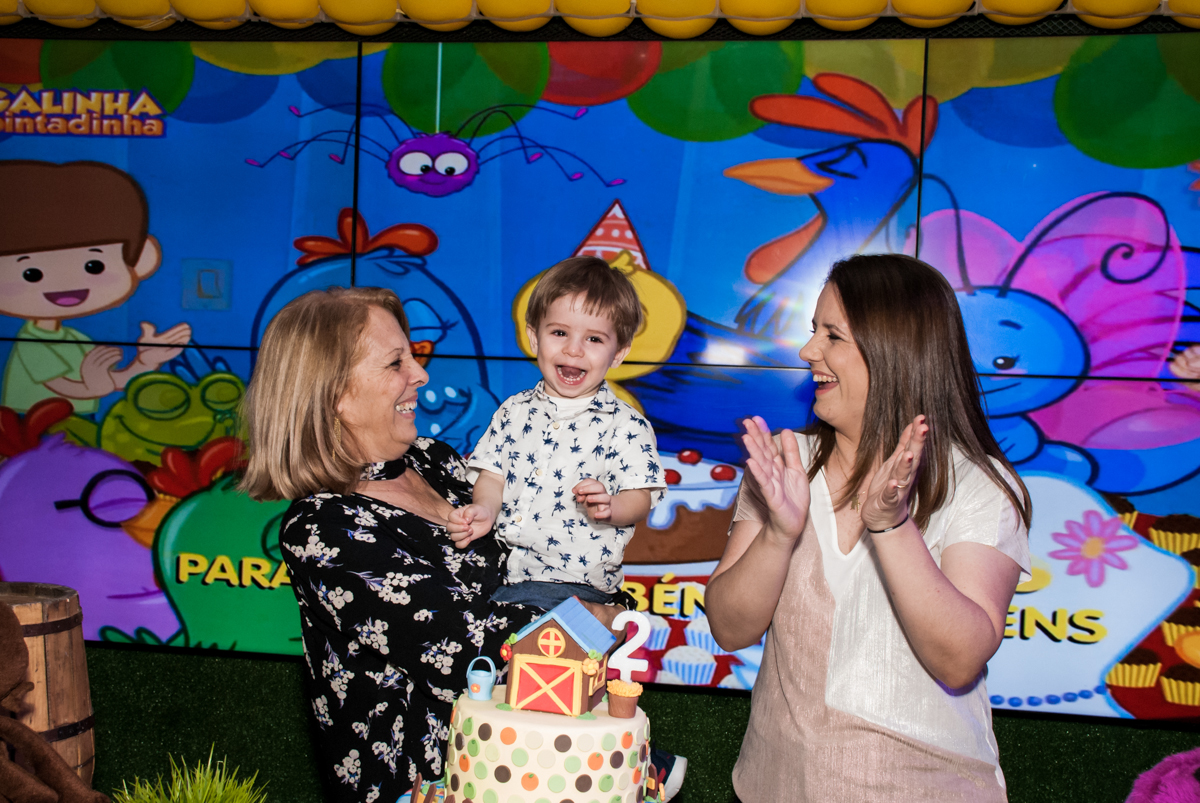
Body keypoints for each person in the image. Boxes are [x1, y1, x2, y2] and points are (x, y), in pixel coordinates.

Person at [241, 287, 618, 803]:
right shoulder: (323, 529)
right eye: (397, 362)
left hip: (533, 765)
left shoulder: (433, 460)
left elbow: (538, 551)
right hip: (430, 785)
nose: (420, 374)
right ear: (335, 395)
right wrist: (593, 617)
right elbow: (472, 654)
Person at [706, 254, 1033, 802]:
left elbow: (958, 659)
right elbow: (729, 628)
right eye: (814, 332)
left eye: (833, 335)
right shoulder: (789, 462)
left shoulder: (979, 484)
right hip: (773, 784)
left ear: (895, 352)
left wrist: (891, 524)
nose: (809, 351)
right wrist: (778, 534)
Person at [446, 256, 667, 611]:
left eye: (594, 338)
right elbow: (492, 475)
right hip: (500, 570)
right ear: (535, 337)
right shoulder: (513, 410)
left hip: (572, 586)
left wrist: (611, 507)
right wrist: (484, 510)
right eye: (559, 332)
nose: (573, 349)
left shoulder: (626, 425)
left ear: (618, 354)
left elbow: (640, 497)